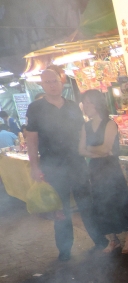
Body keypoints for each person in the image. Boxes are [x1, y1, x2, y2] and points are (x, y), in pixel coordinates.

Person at [26, 69, 106, 261]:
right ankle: (65, 250)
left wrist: (92, 151)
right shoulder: (35, 108)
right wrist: (35, 167)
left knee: (87, 205)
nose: (52, 85)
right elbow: (31, 140)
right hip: (52, 166)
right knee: (60, 210)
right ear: (42, 85)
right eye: (47, 82)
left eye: (55, 81)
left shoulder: (72, 106)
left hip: (77, 163)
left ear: (61, 83)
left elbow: (82, 133)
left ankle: (100, 241)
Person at [78, 89, 128, 253]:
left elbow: (106, 148)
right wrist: (99, 151)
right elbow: (81, 150)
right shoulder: (85, 126)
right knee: (102, 203)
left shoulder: (110, 123)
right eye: (83, 103)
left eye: (87, 102)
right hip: (95, 169)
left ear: (96, 104)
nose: (84, 106)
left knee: (120, 201)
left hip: (111, 169)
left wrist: (93, 150)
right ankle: (113, 240)